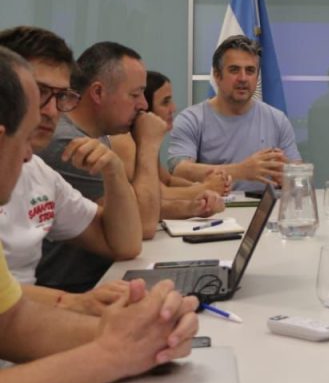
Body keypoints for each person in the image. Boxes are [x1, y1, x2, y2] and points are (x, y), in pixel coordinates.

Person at [0, 46, 199, 383]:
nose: (30, 154)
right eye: (26, 139)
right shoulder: (61, 146)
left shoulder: (38, 169)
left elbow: (12, 321)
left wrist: (145, 335)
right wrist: (114, 352)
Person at [0, 27, 138, 314]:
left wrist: (114, 172)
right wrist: (74, 303)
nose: (51, 111)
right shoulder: (59, 147)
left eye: (61, 96)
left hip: (25, 324)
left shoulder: (38, 171)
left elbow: (124, 244)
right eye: (40, 92)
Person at [35, 41, 162, 292]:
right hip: (75, 287)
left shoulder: (97, 137)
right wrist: (148, 145)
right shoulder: (67, 143)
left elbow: (127, 212)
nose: (144, 106)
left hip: (99, 281)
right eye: (135, 95)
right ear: (98, 92)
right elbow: (144, 224)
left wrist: (190, 204)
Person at [167, 35, 300, 192]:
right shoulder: (191, 119)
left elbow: (300, 177)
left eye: (250, 71)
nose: (243, 78)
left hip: (264, 206)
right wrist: (241, 171)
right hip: (213, 206)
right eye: (234, 70)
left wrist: (288, 176)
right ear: (217, 75)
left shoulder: (277, 119)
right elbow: (179, 169)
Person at [108, 71, 231, 204]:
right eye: (165, 102)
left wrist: (204, 185)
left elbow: (167, 180)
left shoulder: (143, 138)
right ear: (145, 108)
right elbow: (159, 194)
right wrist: (206, 188)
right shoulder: (124, 140)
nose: (173, 108)